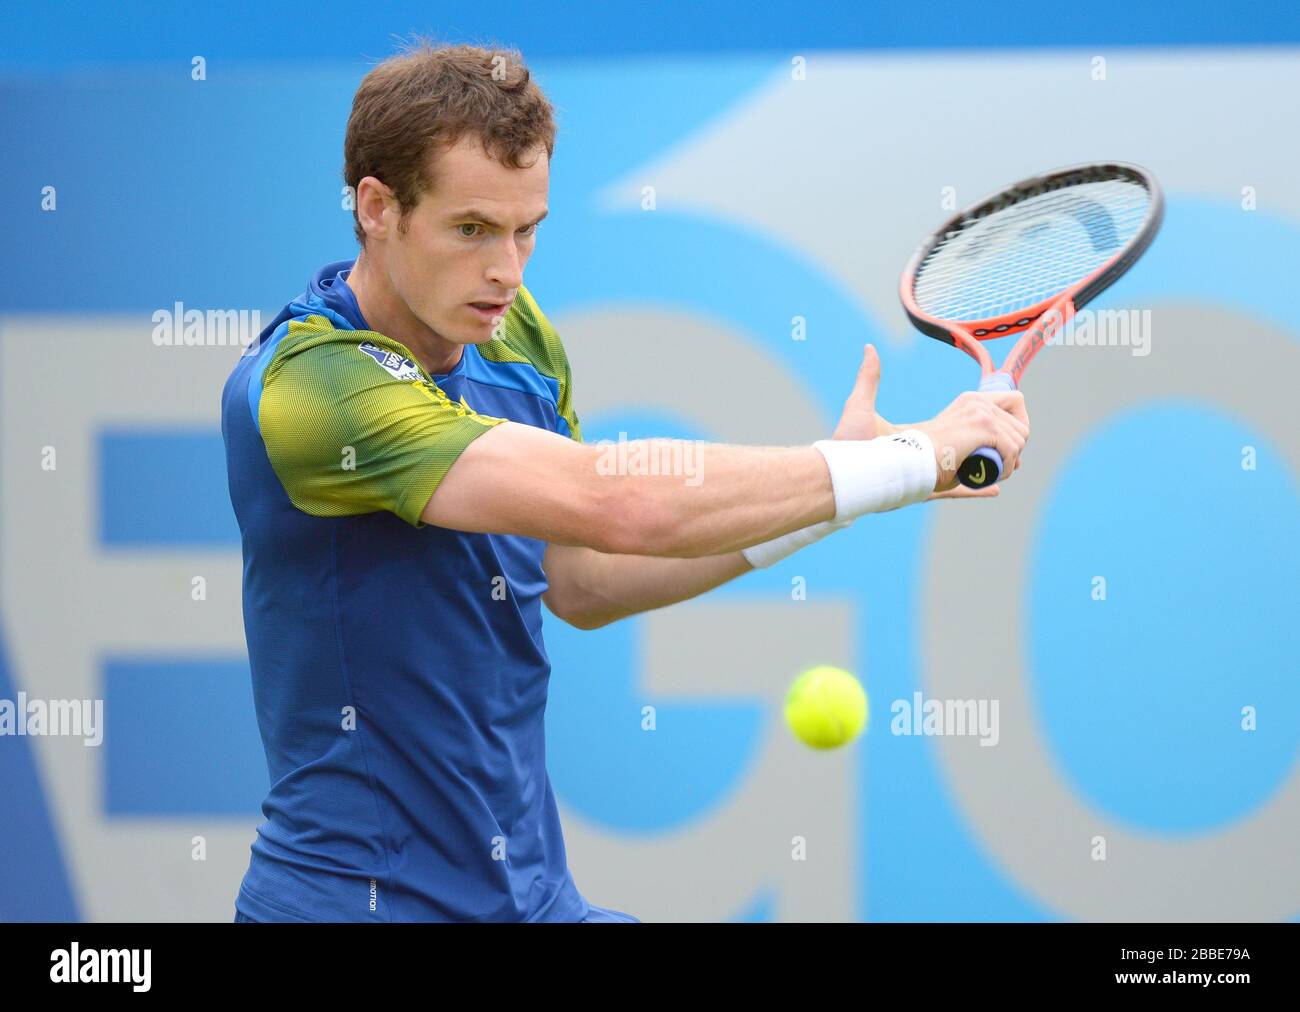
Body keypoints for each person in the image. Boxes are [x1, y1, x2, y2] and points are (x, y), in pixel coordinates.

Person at [221, 40, 1029, 923]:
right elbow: (620, 500)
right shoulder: (312, 387)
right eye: (471, 229)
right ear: (377, 208)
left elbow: (582, 581)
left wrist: (852, 491)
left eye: (527, 228)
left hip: (530, 898)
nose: (508, 269)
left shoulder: (515, 334)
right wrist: (906, 458)